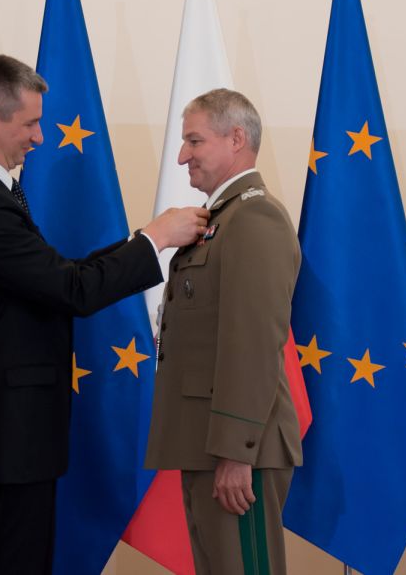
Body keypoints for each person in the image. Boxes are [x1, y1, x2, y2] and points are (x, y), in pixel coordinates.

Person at [0, 54, 209, 575]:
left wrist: (143, 239)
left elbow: (58, 275)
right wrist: (155, 240)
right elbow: (70, 289)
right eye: (30, 123)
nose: (39, 137)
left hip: (9, 439)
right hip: (4, 440)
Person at [145, 88, 302, 575]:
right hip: (208, 444)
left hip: (238, 452)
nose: (182, 156)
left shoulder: (253, 217)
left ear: (236, 139)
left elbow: (253, 345)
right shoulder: (221, 219)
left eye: (194, 141)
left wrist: (236, 454)